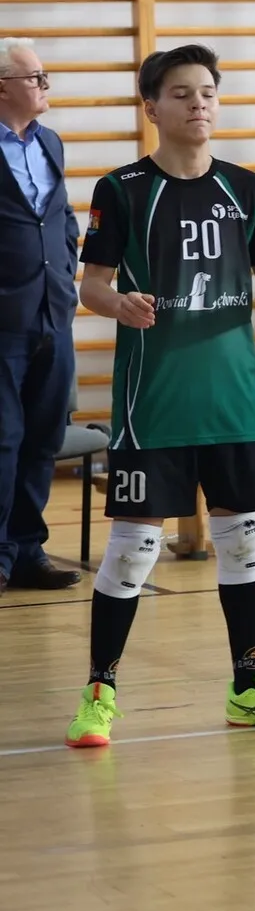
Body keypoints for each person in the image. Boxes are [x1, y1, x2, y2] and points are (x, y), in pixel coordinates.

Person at [64, 45, 255, 746]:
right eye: (182, 93)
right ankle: (99, 692)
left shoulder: (247, 188)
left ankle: (249, 687)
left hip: (233, 401)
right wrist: (118, 304)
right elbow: (91, 284)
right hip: (152, 404)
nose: (199, 104)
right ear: (152, 108)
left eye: (208, 92)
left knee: (243, 542)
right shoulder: (122, 189)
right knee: (133, 550)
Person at [0, 38, 82, 595]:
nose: (45, 85)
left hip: (54, 311)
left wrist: (68, 269)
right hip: (4, 320)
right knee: (3, 439)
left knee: (43, 437)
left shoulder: (49, 141)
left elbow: (61, 217)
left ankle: (28, 552)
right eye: (35, 78)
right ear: (3, 87)